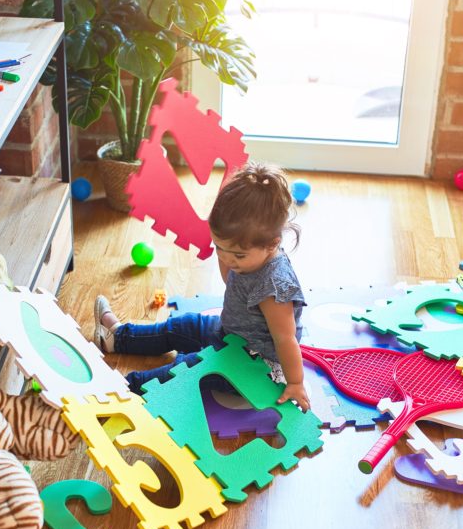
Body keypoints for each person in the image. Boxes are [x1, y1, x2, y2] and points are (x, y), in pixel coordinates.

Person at [94, 161, 309, 411]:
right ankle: (118, 338)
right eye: (220, 248)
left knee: (186, 368)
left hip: (253, 365)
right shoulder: (244, 254)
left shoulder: (275, 287)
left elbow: (285, 339)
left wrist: (295, 382)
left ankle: (122, 388)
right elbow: (231, 281)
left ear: (272, 245)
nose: (228, 259)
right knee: (181, 326)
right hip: (231, 334)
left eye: (237, 256)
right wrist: (228, 256)